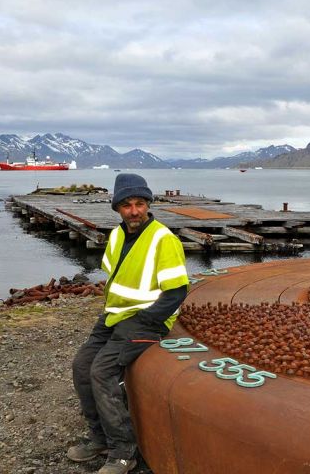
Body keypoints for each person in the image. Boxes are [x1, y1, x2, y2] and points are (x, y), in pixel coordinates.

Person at [67, 173, 189, 474]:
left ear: (147, 204)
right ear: (117, 208)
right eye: (126, 205)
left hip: (147, 320)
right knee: (81, 366)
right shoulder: (118, 236)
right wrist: (113, 315)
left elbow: (176, 292)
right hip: (115, 315)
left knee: (101, 372)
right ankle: (100, 438)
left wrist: (146, 319)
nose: (134, 211)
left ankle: (124, 451)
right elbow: (115, 279)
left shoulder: (164, 239)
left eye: (139, 203)